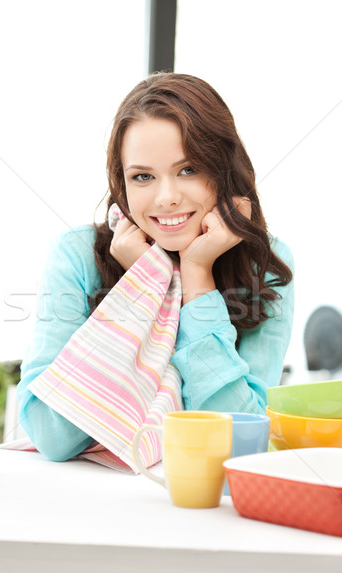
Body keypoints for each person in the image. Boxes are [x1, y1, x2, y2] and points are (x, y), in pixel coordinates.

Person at [17, 72, 294, 462]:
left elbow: (240, 437)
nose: (166, 198)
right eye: (143, 176)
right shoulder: (77, 254)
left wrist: (197, 275)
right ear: (121, 183)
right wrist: (144, 286)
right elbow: (51, 434)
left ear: (224, 169)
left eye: (189, 169)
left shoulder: (263, 266)